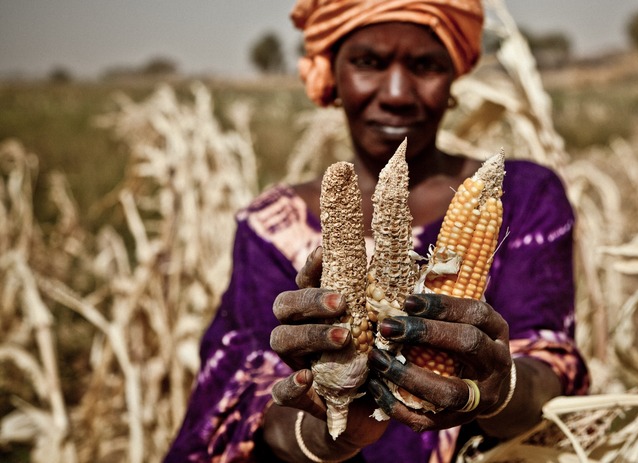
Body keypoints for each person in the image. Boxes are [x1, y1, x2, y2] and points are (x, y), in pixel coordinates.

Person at [164, 0, 589, 461]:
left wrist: (497, 388)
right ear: (332, 76)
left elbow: (550, 367)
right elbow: (244, 392)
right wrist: (331, 431)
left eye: (425, 65)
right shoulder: (267, 228)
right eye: (369, 62)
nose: (397, 93)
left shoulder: (520, 197)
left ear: (453, 80)